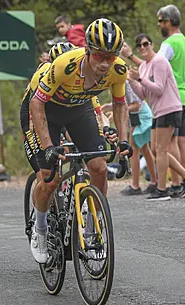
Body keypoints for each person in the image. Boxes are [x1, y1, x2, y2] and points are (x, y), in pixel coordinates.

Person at [27, 18, 132, 263]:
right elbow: (37, 103)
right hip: (48, 110)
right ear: (87, 50)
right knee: (49, 178)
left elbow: (119, 105)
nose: (105, 63)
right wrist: (48, 147)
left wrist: (124, 139)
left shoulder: (119, 69)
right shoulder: (65, 65)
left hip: (78, 108)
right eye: (100, 56)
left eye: (111, 56)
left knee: (99, 167)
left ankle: (93, 229)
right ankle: (40, 229)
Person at [122, 5, 185, 196]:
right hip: (180, 95)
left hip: (171, 98)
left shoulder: (169, 44)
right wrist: (135, 78)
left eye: (160, 21)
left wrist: (130, 57)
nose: (159, 24)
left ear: (168, 21)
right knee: (178, 142)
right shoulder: (184, 41)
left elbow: (154, 66)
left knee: (168, 145)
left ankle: (178, 183)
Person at [20, 42, 112, 174]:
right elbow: (35, 118)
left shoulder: (82, 78)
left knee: (75, 146)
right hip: (36, 111)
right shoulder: (42, 76)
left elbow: (98, 113)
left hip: (67, 110)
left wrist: (105, 130)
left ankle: (70, 182)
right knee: (46, 173)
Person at [119, 80, 156, 196]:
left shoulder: (125, 83)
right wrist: (108, 108)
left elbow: (136, 105)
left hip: (141, 115)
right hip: (137, 116)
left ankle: (135, 185)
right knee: (145, 148)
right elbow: (123, 104)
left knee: (133, 149)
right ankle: (154, 182)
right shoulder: (119, 83)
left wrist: (122, 110)